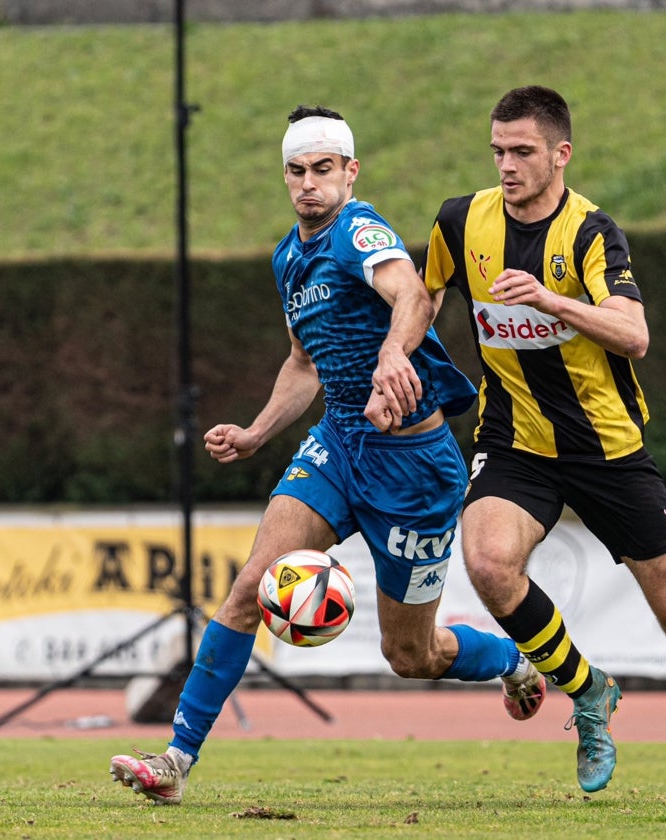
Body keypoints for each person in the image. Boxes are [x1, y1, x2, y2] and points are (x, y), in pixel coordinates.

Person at [108, 105, 547, 806]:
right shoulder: (289, 257)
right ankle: (176, 760)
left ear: (350, 171)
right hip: (339, 441)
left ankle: (508, 660)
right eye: (295, 170)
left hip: (415, 467)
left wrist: (390, 354)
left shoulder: (358, 231)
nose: (308, 183)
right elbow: (302, 364)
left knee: (411, 655)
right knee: (252, 584)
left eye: (322, 169)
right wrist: (256, 431)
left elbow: (410, 294)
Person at [404, 85, 666, 804]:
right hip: (514, 442)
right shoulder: (461, 219)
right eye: (498, 152)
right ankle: (589, 690)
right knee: (486, 562)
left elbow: (634, 335)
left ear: (560, 155)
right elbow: (425, 295)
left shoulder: (591, 233)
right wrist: (396, 353)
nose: (507, 166)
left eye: (522, 152)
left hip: (607, 450)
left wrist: (551, 299)